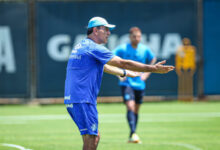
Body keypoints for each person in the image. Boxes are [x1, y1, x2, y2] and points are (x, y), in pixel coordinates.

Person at [64, 16, 174, 150]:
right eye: (106, 29)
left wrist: (124, 73)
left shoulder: (83, 45)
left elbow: (103, 66)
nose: (109, 33)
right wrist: (153, 69)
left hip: (75, 98)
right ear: (95, 30)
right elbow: (123, 62)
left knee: (94, 136)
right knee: (92, 138)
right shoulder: (93, 47)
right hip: (83, 99)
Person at [113, 27, 156, 143]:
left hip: (140, 84)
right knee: (130, 106)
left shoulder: (144, 49)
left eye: (139, 36)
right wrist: (120, 74)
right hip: (127, 83)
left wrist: (146, 74)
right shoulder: (122, 48)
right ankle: (133, 133)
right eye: (134, 36)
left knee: (136, 110)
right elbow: (109, 59)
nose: (137, 38)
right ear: (130, 37)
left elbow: (153, 59)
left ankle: (132, 133)